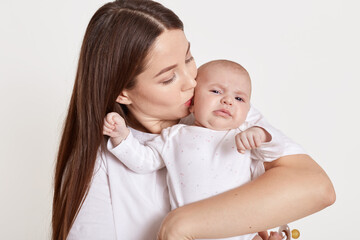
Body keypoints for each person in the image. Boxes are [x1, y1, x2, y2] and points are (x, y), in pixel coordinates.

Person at [53, 1, 336, 240]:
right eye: (168, 77)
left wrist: (185, 223)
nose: (192, 82)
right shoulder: (101, 171)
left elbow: (317, 187)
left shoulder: (219, 111)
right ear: (123, 92)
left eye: (189, 59)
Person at [103, 59, 287, 240]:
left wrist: (262, 135)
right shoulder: (174, 136)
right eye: (216, 91)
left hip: (241, 233)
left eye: (239, 98)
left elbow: (277, 153)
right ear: (192, 101)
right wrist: (121, 135)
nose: (228, 101)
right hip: (191, 233)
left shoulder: (244, 135)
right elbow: (144, 161)